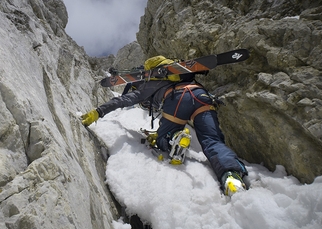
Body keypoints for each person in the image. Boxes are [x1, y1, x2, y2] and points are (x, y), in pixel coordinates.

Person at [81, 56, 248, 196]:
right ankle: (232, 178)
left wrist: (98, 112)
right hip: (201, 96)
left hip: (177, 99)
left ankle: (174, 137)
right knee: (213, 141)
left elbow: (122, 100)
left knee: (163, 138)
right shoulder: (179, 73)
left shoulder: (146, 85)